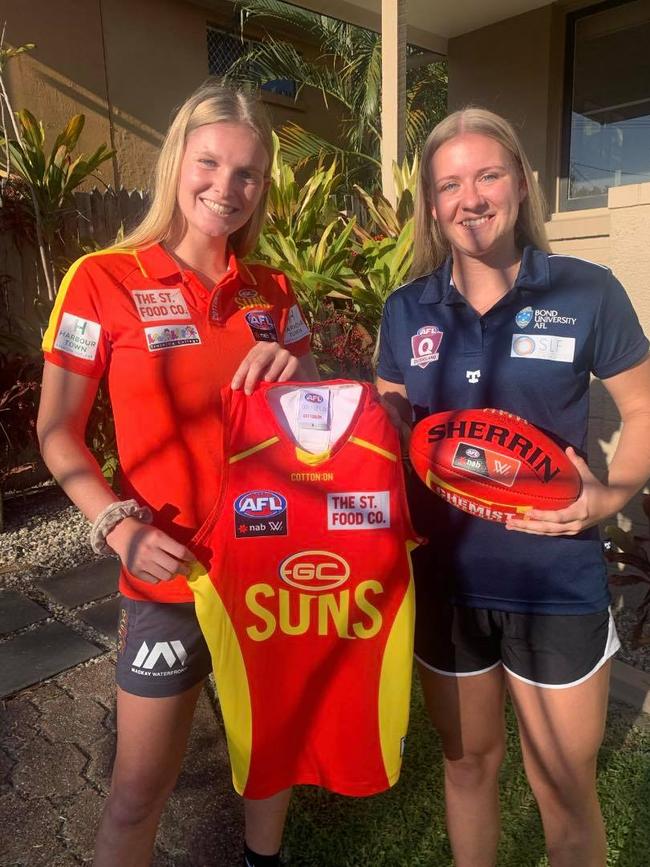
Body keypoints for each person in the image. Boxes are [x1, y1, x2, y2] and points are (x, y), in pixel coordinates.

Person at [37, 80, 319, 867]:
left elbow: (317, 413)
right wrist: (117, 524)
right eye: (209, 163)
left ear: (262, 187)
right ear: (177, 165)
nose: (224, 189)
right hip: (169, 581)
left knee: (271, 753)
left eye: (246, 174)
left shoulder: (275, 292)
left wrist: (300, 370)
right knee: (135, 791)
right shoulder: (103, 278)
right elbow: (56, 430)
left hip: (272, 569)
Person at [376, 107, 650, 867]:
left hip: (555, 579)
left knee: (564, 784)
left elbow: (643, 405)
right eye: (449, 183)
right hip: (446, 578)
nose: (471, 197)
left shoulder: (587, 289)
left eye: (488, 174)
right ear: (432, 204)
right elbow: (387, 427)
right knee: (468, 766)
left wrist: (610, 494)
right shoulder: (406, 310)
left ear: (522, 183)